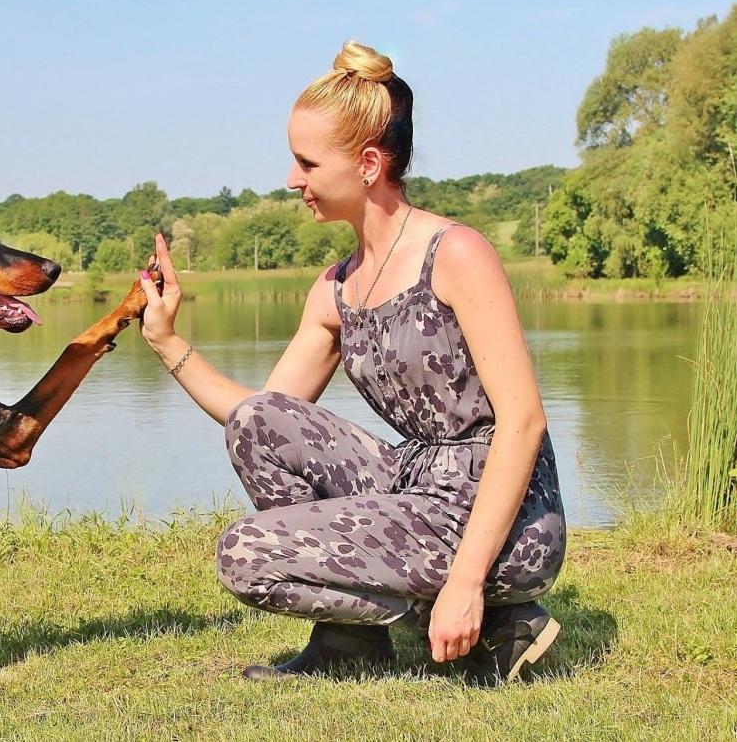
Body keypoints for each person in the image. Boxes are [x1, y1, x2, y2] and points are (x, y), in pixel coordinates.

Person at [136, 40, 566, 684]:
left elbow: (524, 422)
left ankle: (488, 615)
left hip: (504, 513)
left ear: (368, 164)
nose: (290, 179)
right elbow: (260, 416)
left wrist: (466, 583)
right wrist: (168, 341)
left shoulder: (457, 253)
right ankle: (351, 643)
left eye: (306, 162)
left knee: (245, 554)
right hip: (416, 484)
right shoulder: (335, 288)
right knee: (258, 422)